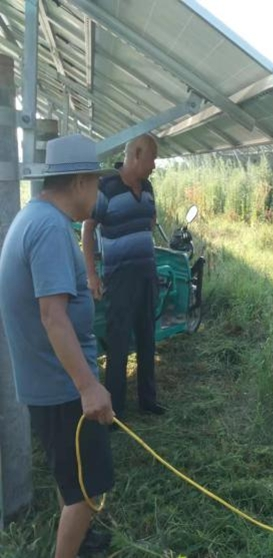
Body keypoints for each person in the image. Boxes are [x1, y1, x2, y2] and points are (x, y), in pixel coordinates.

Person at [0, 134, 116, 558]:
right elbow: (53, 317)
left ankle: (82, 543)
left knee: (74, 475)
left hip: (51, 380)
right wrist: (88, 387)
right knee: (86, 489)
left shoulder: (36, 217)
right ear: (81, 182)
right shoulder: (49, 228)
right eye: (98, 183)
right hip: (63, 386)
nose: (100, 192)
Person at [82, 134, 165, 419]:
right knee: (118, 343)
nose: (154, 165)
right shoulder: (106, 187)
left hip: (146, 274)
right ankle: (115, 408)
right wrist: (92, 274)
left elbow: (150, 221)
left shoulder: (149, 186)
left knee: (147, 337)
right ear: (137, 155)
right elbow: (88, 228)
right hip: (119, 277)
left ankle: (148, 400)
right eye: (152, 158)